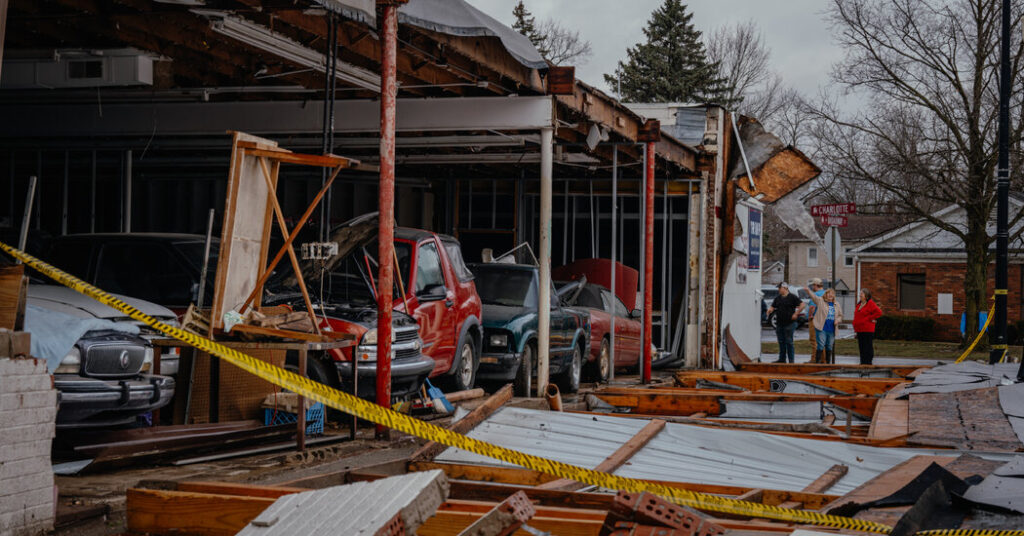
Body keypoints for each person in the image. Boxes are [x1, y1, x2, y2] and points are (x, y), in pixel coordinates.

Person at [766, 282, 805, 363]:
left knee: (789, 342)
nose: (778, 290)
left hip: (790, 323)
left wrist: (796, 313)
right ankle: (782, 359)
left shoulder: (792, 297)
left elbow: (802, 305)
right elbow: (773, 306)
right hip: (779, 324)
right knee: (781, 342)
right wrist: (770, 310)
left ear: (784, 288)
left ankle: (791, 361)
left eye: (779, 288)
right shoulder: (778, 298)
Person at [805, 285, 842, 363]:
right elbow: (814, 297)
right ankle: (817, 362)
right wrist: (808, 291)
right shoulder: (821, 301)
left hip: (832, 329)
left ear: (834, 296)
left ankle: (828, 363)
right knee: (821, 345)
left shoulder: (837, 304)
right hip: (822, 328)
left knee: (829, 346)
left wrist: (837, 320)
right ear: (826, 295)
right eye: (828, 293)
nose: (830, 295)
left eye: (832, 294)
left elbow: (840, 315)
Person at [853, 289, 883, 365]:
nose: (860, 295)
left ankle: (868, 362)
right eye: (860, 294)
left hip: (867, 329)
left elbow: (879, 312)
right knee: (861, 346)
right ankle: (862, 362)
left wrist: (870, 318)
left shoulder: (870, 303)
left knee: (867, 346)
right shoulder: (859, 304)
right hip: (860, 329)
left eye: (861, 294)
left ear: (866, 296)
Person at [807, 278, 825, 354]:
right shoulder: (826, 293)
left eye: (813, 285)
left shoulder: (816, 294)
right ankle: (823, 359)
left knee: (814, 339)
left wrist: (810, 315)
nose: (812, 287)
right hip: (824, 320)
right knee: (822, 340)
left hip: (815, 320)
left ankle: (814, 359)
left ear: (816, 285)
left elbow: (812, 307)